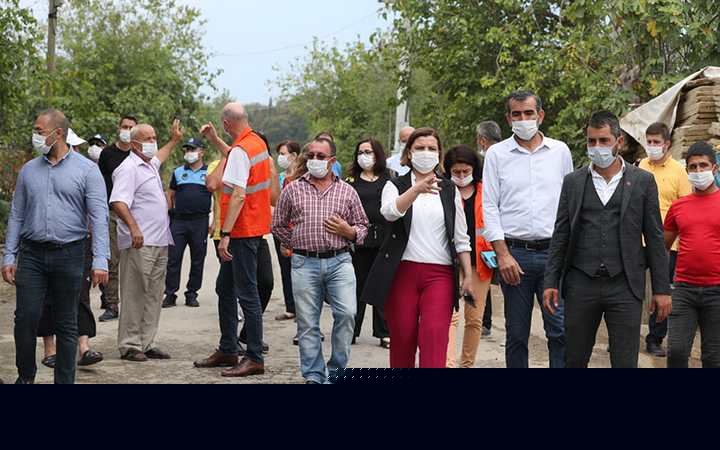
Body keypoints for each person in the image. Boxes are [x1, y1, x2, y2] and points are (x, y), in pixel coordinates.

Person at [544, 110, 672, 368]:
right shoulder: (573, 182)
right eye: (591, 141)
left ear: (619, 142)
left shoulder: (642, 181)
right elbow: (561, 235)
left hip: (624, 284)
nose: (597, 147)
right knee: (574, 359)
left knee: (625, 362)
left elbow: (655, 237)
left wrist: (661, 289)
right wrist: (551, 281)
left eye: (604, 140)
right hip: (581, 283)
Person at [2, 109, 109, 384]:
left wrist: (100, 260)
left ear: (58, 133)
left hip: (70, 254)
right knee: (25, 318)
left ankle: (64, 382)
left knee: (66, 321)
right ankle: (26, 377)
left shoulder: (87, 171)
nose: (35, 136)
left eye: (39, 131)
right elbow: (17, 214)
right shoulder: (29, 171)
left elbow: (99, 217)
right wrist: (9, 255)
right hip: (32, 254)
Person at [362, 128, 477, 368]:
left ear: (439, 154)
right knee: (403, 338)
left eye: (432, 148)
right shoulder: (395, 185)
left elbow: (461, 237)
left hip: (440, 275)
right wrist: (415, 190)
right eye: (420, 148)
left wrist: (467, 275)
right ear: (409, 153)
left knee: (434, 336)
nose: (426, 152)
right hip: (402, 272)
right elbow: (389, 212)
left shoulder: (450, 190)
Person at [483, 90, 573, 368]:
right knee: (517, 334)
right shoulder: (496, 154)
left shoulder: (560, 152)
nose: (523, 119)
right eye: (517, 114)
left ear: (540, 115)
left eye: (529, 113)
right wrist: (503, 255)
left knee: (559, 331)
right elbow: (490, 206)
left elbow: (570, 203)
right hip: (515, 257)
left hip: (553, 255)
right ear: (508, 119)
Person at [273, 137, 369, 384]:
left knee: (347, 314)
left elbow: (363, 226)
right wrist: (297, 242)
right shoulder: (293, 188)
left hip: (339, 261)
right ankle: (314, 375)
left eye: (321, 156)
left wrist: (349, 232)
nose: (315, 160)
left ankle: (336, 371)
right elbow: (278, 224)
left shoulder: (347, 191)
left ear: (331, 160)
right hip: (304, 263)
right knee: (307, 322)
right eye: (311, 156)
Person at [193, 103, 272, 378]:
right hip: (253, 227)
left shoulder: (241, 150)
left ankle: (254, 357)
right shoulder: (255, 143)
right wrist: (216, 140)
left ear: (227, 124)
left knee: (246, 293)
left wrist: (225, 234)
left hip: (241, 231)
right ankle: (228, 348)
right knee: (224, 287)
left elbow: (238, 194)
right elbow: (235, 157)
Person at [110, 120, 183, 362]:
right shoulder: (128, 168)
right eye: (148, 139)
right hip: (140, 242)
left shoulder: (149, 164)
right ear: (134, 144)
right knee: (135, 293)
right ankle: (130, 344)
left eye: (154, 138)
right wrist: (134, 227)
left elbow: (160, 156)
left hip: (159, 240)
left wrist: (174, 140)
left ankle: (147, 341)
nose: (153, 143)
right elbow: (118, 202)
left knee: (153, 294)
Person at [638, 122, 693, 357]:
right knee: (630, 289)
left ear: (667, 144)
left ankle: (655, 339)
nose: (652, 146)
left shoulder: (679, 172)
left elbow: (686, 207)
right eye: (649, 142)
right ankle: (624, 334)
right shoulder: (641, 166)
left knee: (662, 292)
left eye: (656, 142)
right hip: (638, 241)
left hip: (668, 244)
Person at [664, 142, 720, 368]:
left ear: (714, 168)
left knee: (714, 357)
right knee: (676, 352)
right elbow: (663, 247)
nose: (698, 171)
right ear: (686, 170)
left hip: (717, 290)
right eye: (693, 167)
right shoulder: (678, 206)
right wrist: (660, 286)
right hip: (684, 290)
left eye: (703, 165)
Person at [444, 145, 494, 368]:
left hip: (479, 264)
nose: (462, 176)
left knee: (474, 319)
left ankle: (466, 365)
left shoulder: (487, 191)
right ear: (449, 171)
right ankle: (448, 365)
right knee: (450, 317)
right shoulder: (444, 191)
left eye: (466, 171)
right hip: (449, 263)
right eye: (456, 172)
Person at [346, 138, 393, 348]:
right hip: (359, 240)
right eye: (361, 152)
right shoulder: (350, 180)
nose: (364, 156)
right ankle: (351, 330)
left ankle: (384, 332)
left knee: (382, 285)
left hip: (384, 239)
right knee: (357, 286)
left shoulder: (390, 178)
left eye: (369, 152)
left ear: (378, 154)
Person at [97, 115, 138, 322]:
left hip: (135, 213)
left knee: (135, 261)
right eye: (125, 126)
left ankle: (134, 305)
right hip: (112, 212)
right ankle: (112, 303)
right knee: (112, 259)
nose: (127, 130)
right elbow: (99, 184)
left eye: (131, 127)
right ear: (119, 128)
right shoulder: (107, 154)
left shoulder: (138, 154)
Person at [163, 138, 212, 308]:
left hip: (200, 221)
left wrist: (215, 222)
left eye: (192, 149)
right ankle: (170, 294)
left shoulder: (209, 172)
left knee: (198, 259)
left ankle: (192, 293)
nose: (189, 153)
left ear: (201, 152)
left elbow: (216, 197)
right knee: (173, 258)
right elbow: (170, 194)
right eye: (187, 150)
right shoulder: (178, 172)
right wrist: (168, 215)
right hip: (179, 221)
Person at [475, 120, 503, 337]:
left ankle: (484, 322)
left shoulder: (484, 162)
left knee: (484, 275)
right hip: (505, 230)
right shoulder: (510, 156)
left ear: (482, 140)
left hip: (488, 230)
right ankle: (485, 322)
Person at [274, 140, 301, 321]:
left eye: (283, 154)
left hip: (299, 229)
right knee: (285, 268)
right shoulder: (279, 177)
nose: (280, 158)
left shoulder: (303, 177)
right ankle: (290, 307)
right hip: (282, 228)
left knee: (302, 269)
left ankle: (303, 308)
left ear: (294, 155)